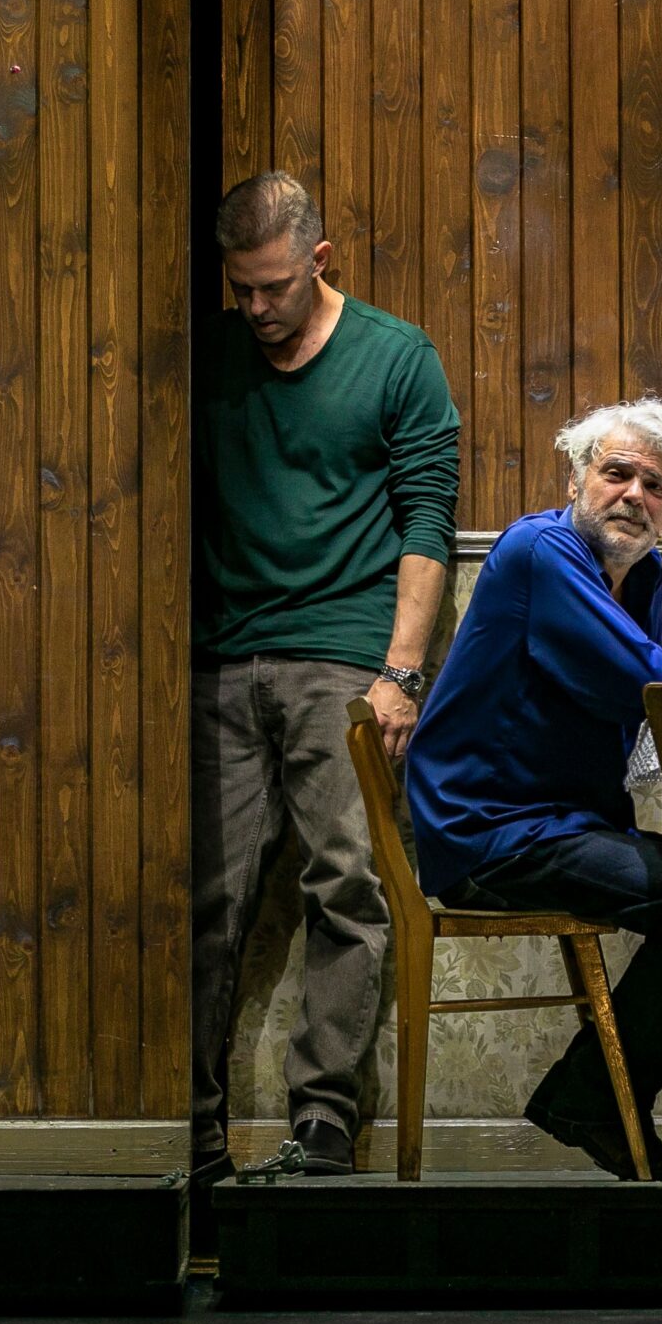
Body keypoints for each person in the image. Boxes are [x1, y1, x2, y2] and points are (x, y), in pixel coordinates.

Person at [405, 397, 662, 1178]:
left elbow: (633, 698)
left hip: (561, 822)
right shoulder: (541, 549)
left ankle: (593, 1098)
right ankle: (592, 1100)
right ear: (576, 479)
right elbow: (640, 680)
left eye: (655, 485)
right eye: (617, 473)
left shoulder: (640, 569)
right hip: (490, 830)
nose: (634, 495)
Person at [191, 170, 461, 1180]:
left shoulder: (395, 354)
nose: (258, 308)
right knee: (203, 899)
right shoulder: (211, 354)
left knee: (348, 885)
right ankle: (190, 1127)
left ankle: (323, 1125)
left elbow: (426, 518)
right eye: (241, 289)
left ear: (320, 259)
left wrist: (400, 674)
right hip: (219, 657)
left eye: (275, 286)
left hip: (343, 654)